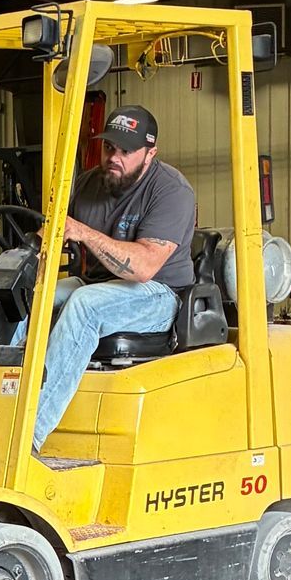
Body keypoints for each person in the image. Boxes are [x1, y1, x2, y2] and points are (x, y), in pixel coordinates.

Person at [30, 103, 197, 456]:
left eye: (126, 151)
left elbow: (144, 267)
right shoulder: (91, 183)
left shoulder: (171, 191)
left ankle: (28, 434)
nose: (114, 158)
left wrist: (83, 233)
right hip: (100, 284)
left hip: (159, 294)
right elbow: (61, 233)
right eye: (109, 148)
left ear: (151, 153)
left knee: (84, 306)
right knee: (34, 297)